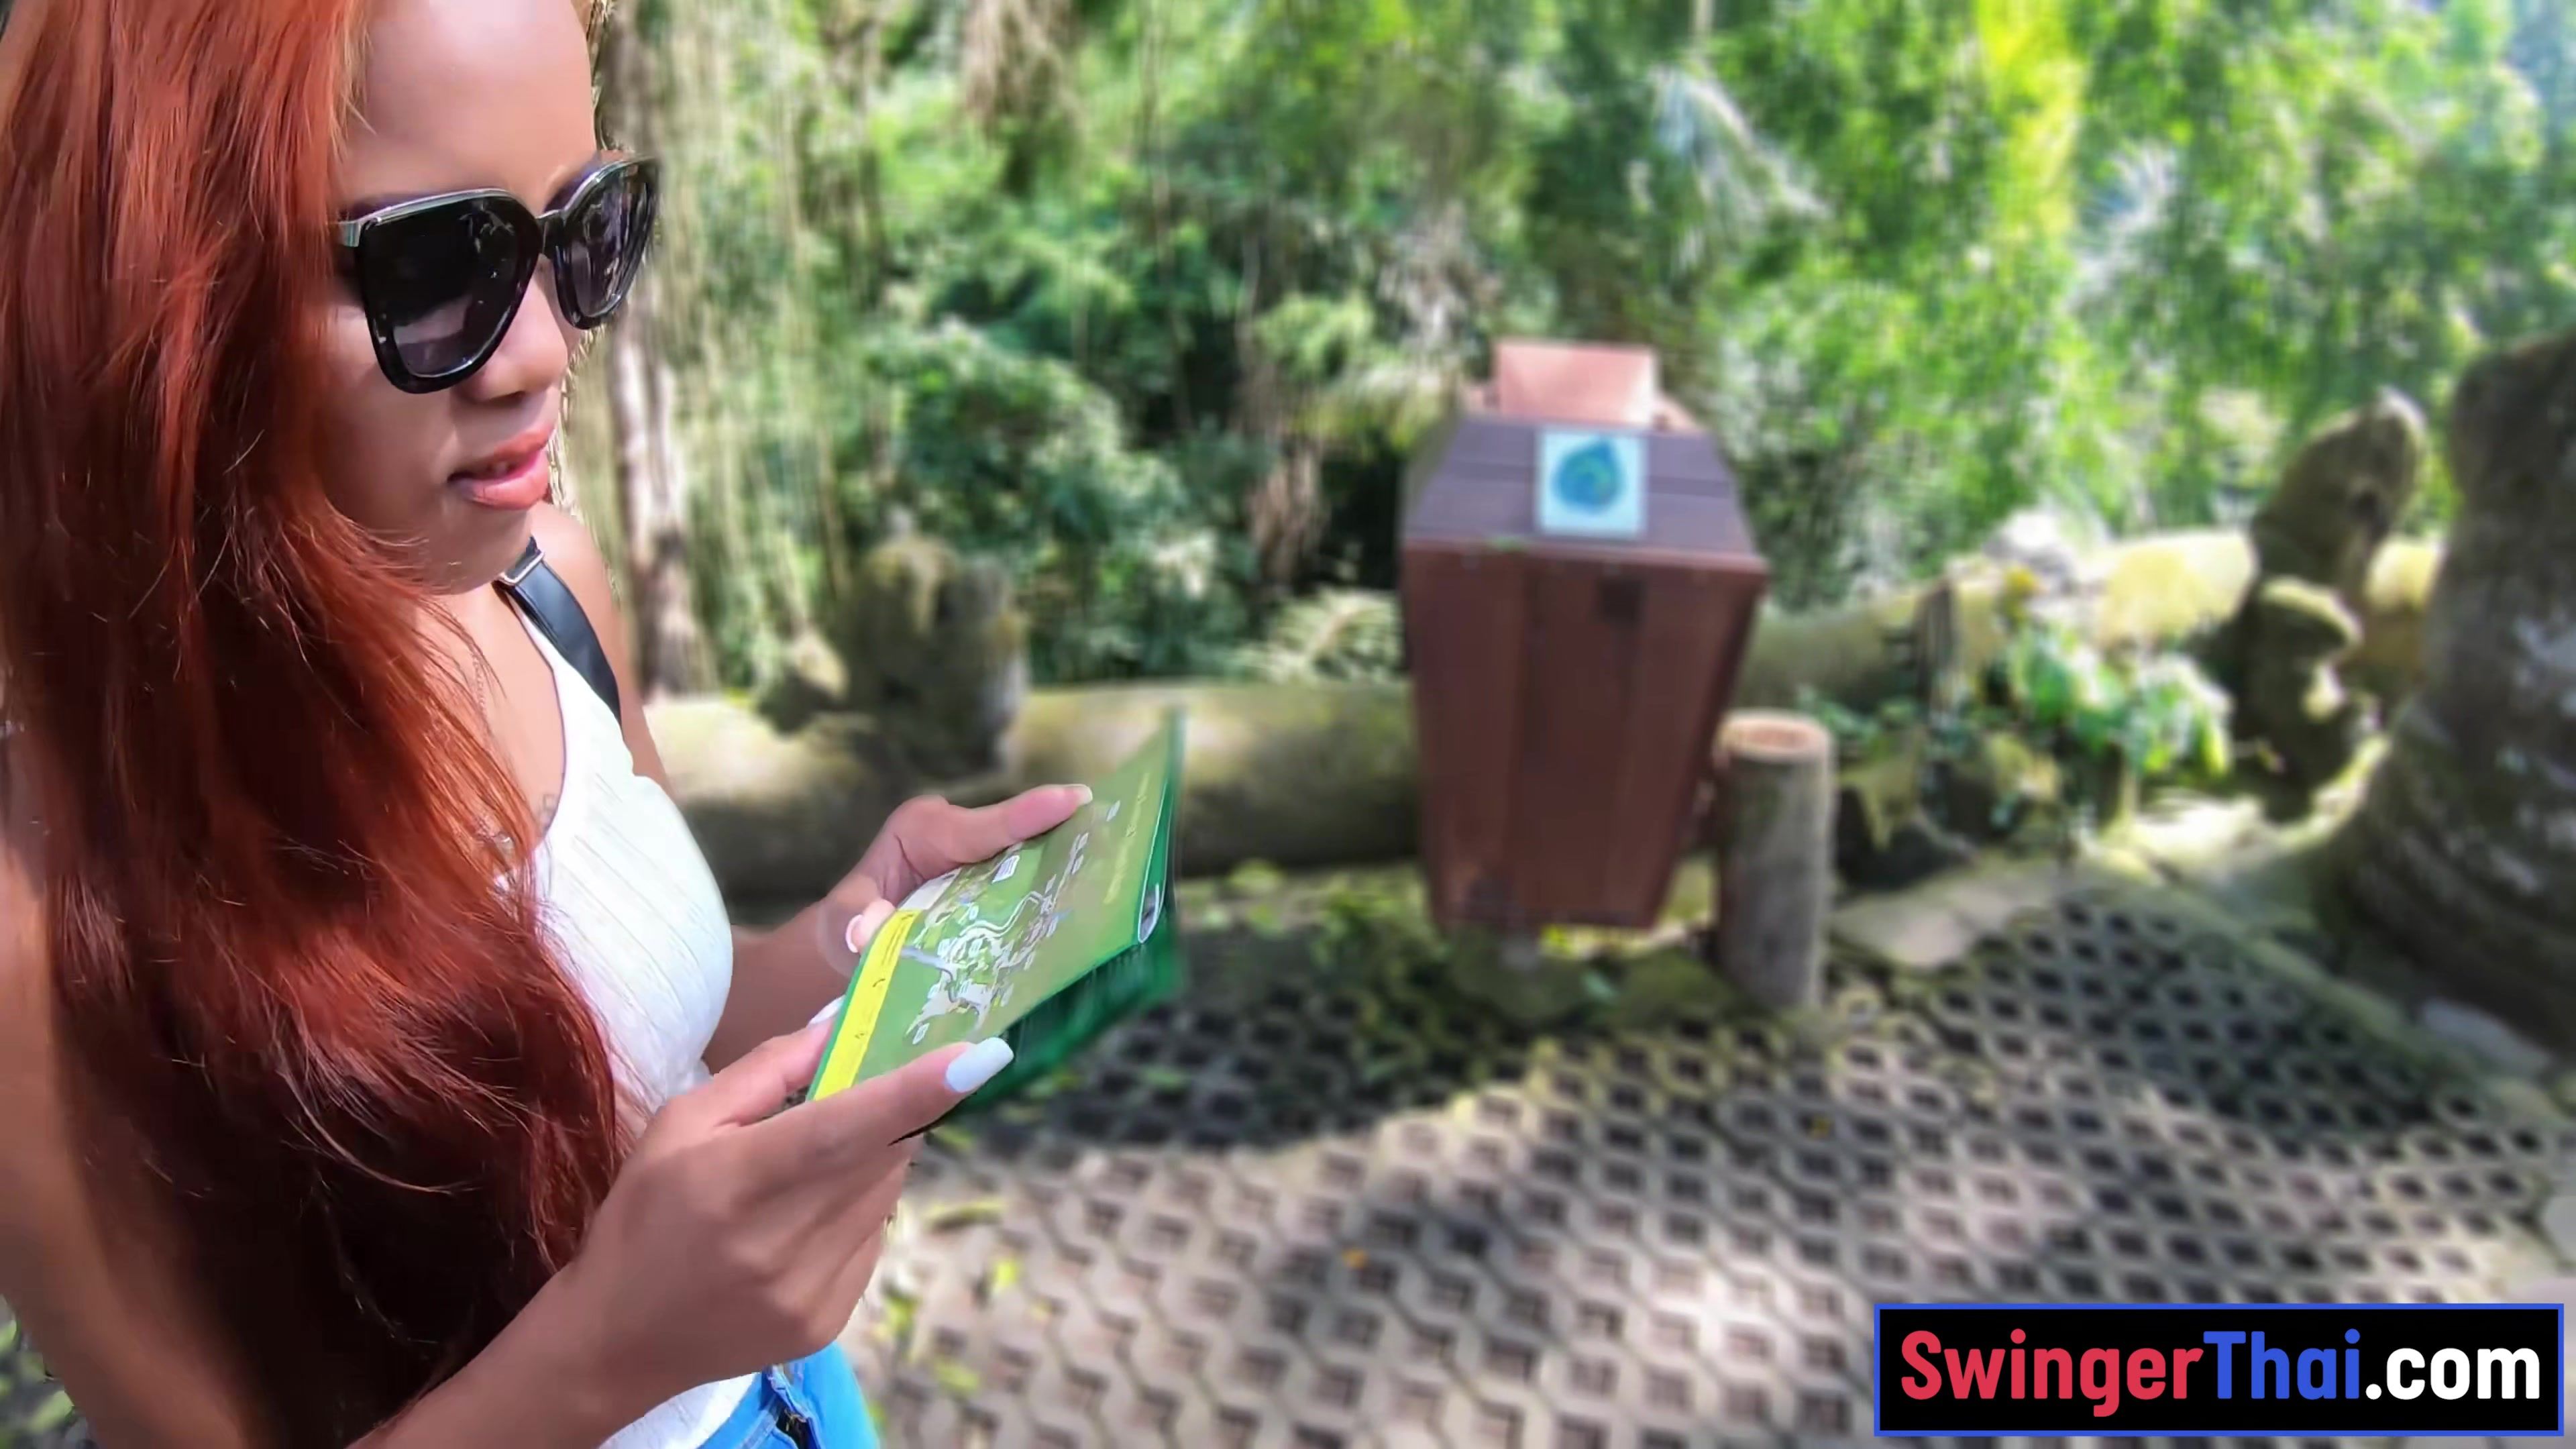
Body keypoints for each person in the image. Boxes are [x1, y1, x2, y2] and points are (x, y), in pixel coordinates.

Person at [0, 0, 1087, 1444]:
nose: (543, 349)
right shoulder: (43, 922)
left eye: (586, 235)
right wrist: (610, 1349)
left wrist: (862, 938)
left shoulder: (546, 587)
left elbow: (662, 1040)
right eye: (437, 267)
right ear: (151, 296)